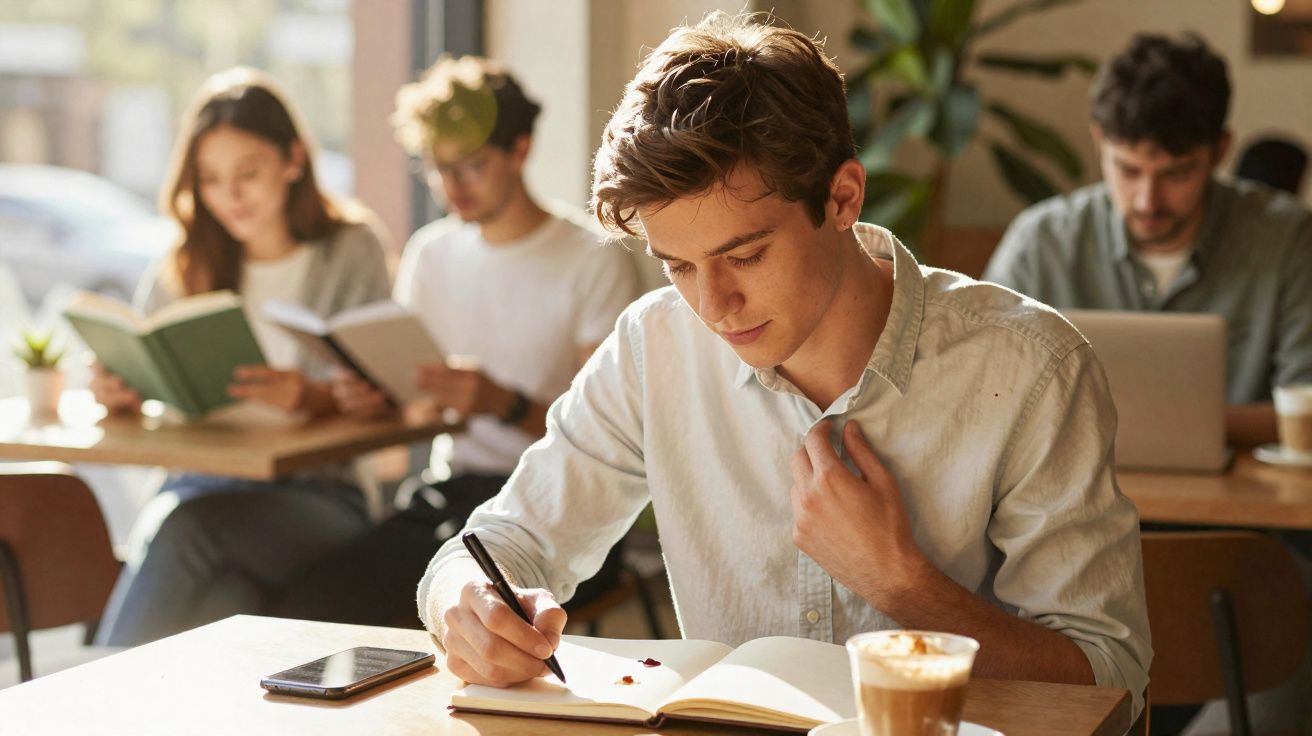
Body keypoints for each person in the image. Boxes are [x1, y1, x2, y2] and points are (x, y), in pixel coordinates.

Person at [418, 11, 1152, 719]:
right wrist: (466, 605)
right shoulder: (654, 346)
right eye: (678, 265)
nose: (715, 304)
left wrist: (903, 584)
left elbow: (1110, 681)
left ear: (842, 197)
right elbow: (495, 545)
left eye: (745, 255)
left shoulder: (1032, 368)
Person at [267, 56, 642, 626]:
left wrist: (503, 403)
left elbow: (613, 441)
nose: (451, 187)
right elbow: (412, 398)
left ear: (520, 149)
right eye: (437, 169)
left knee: (402, 608)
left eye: (470, 166)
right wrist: (376, 398)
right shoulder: (433, 254)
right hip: (454, 492)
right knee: (312, 602)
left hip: (563, 506)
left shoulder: (591, 260)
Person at [92, 67, 392, 646]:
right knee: (230, 600)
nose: (230, 196)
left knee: (184, 531)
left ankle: (85, 713)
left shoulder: (350, 250)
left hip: (318, 498)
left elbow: (385, 393)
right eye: (209, 179)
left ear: (293, 161)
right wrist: (121, 394)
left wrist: (313, 397)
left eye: (248, 173)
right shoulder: (184, 265)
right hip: (199, 487)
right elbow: (146, 375)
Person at [983, 33, 1312, 448]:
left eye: (1176, 174)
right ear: (1099, 140)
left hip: (1240, 507)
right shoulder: (1040, 243)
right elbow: (983, 393)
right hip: (1064, 503)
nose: (1147, 200)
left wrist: (1131, 423)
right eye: (1127, 170)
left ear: (1220, 152)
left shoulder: (1288, 240)